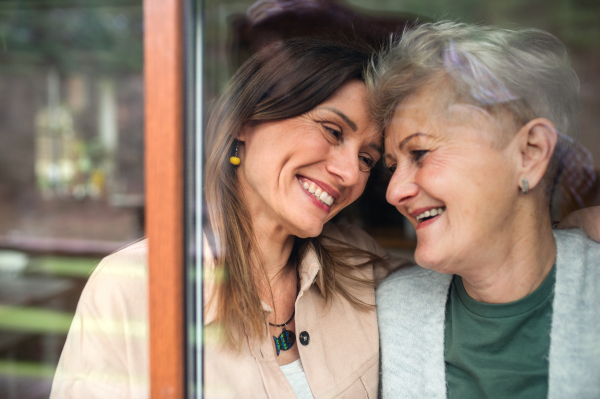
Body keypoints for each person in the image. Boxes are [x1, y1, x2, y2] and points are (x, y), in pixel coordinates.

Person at [50, 37, 409, 399]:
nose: (349, 172)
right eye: (332, 131)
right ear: (244, 121)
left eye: (367, 159)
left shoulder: (364, 267)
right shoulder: (131, 290)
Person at [368, 21, 600, 398]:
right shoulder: (392, 312)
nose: (394, 191)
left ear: (530, 154)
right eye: (393, 167)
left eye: (421, 153)